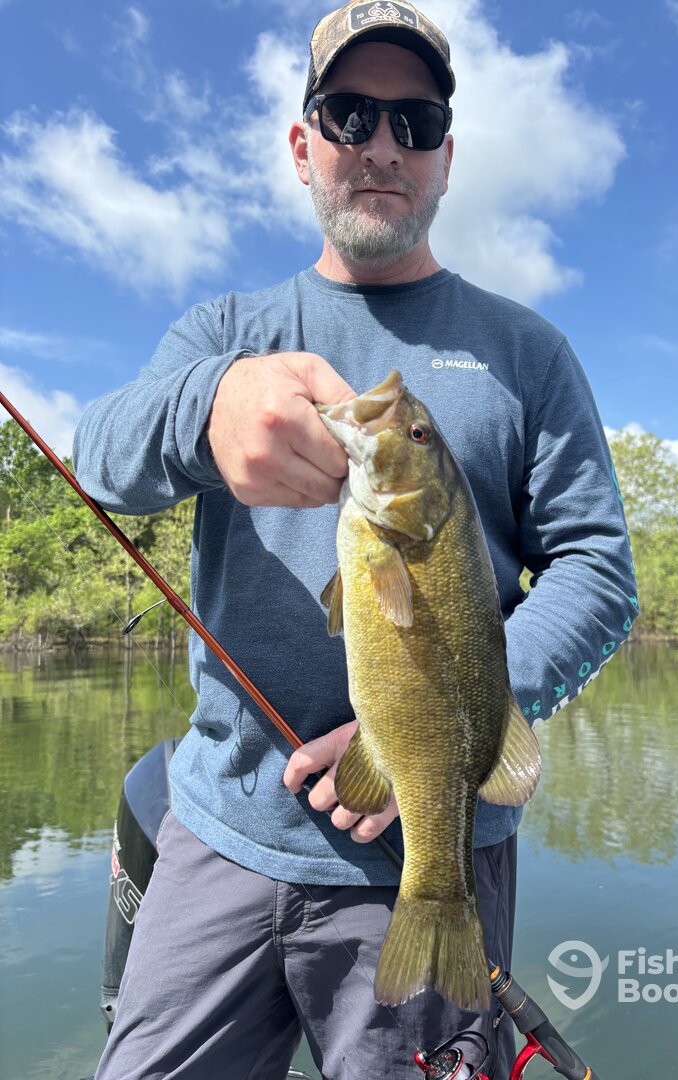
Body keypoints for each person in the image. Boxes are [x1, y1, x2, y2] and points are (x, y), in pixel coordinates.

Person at [75, 2, 638, 1077]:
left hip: (431, 851)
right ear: (304, 146)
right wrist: (207, 407)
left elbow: (598, 571)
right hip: (219, 831)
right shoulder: (227, 333)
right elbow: (100, 454)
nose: (382, 145)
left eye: (415, 123)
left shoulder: (528, 351)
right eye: (349, 114)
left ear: (446, 159)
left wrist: (461, 715)